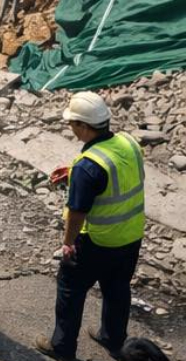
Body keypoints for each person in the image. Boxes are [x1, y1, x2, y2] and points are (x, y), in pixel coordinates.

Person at [36, 91, 146, 361]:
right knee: (117, 288)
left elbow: (76, 213)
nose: (71, 129)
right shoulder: (128, 143)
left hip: (98, 242)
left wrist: (68, 243)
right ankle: (112, 337)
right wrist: (75, 173)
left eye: (72, 124)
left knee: (70, 291)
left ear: (84, 126)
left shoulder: (88, 167)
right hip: (131, 235)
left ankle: (61, 348)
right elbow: (115, 175)